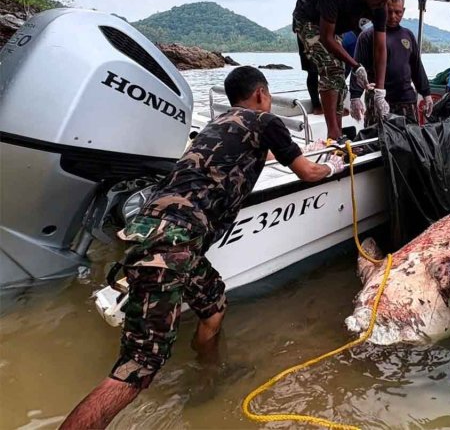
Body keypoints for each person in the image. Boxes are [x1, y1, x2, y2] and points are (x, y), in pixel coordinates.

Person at [62, 66, 345, 429]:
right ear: (261, 94)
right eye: (269, 95)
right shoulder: (265, 120)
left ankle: (208, 377)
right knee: (137, 369)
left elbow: (249, 160)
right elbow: (307, 173)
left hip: (160, 233)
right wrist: (333, 165)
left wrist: (309, 152)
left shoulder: (218, 124)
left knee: (214, 306)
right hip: (174, 243)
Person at [293, 0, 402, 140]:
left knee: (340, 74)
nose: (384, 4)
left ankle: (338, 132)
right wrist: (356, 66)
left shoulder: (380, 6)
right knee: (332, 68)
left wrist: (380, 91)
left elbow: (380, 48)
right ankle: (333, 134)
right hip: (308, 18)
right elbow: (327, 38)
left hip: (336, 27)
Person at [349, 0, 433, 127]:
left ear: (403, 11)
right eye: (389, 11)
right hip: (377, 99)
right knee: (376, 140)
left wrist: (426, 93)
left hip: (406, 99)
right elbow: (358, 68)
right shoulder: (367, 36)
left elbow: (416, 67)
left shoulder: (408, 35)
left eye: (398, 12)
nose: (393, 16)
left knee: (410, 140)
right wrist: (355, 97)